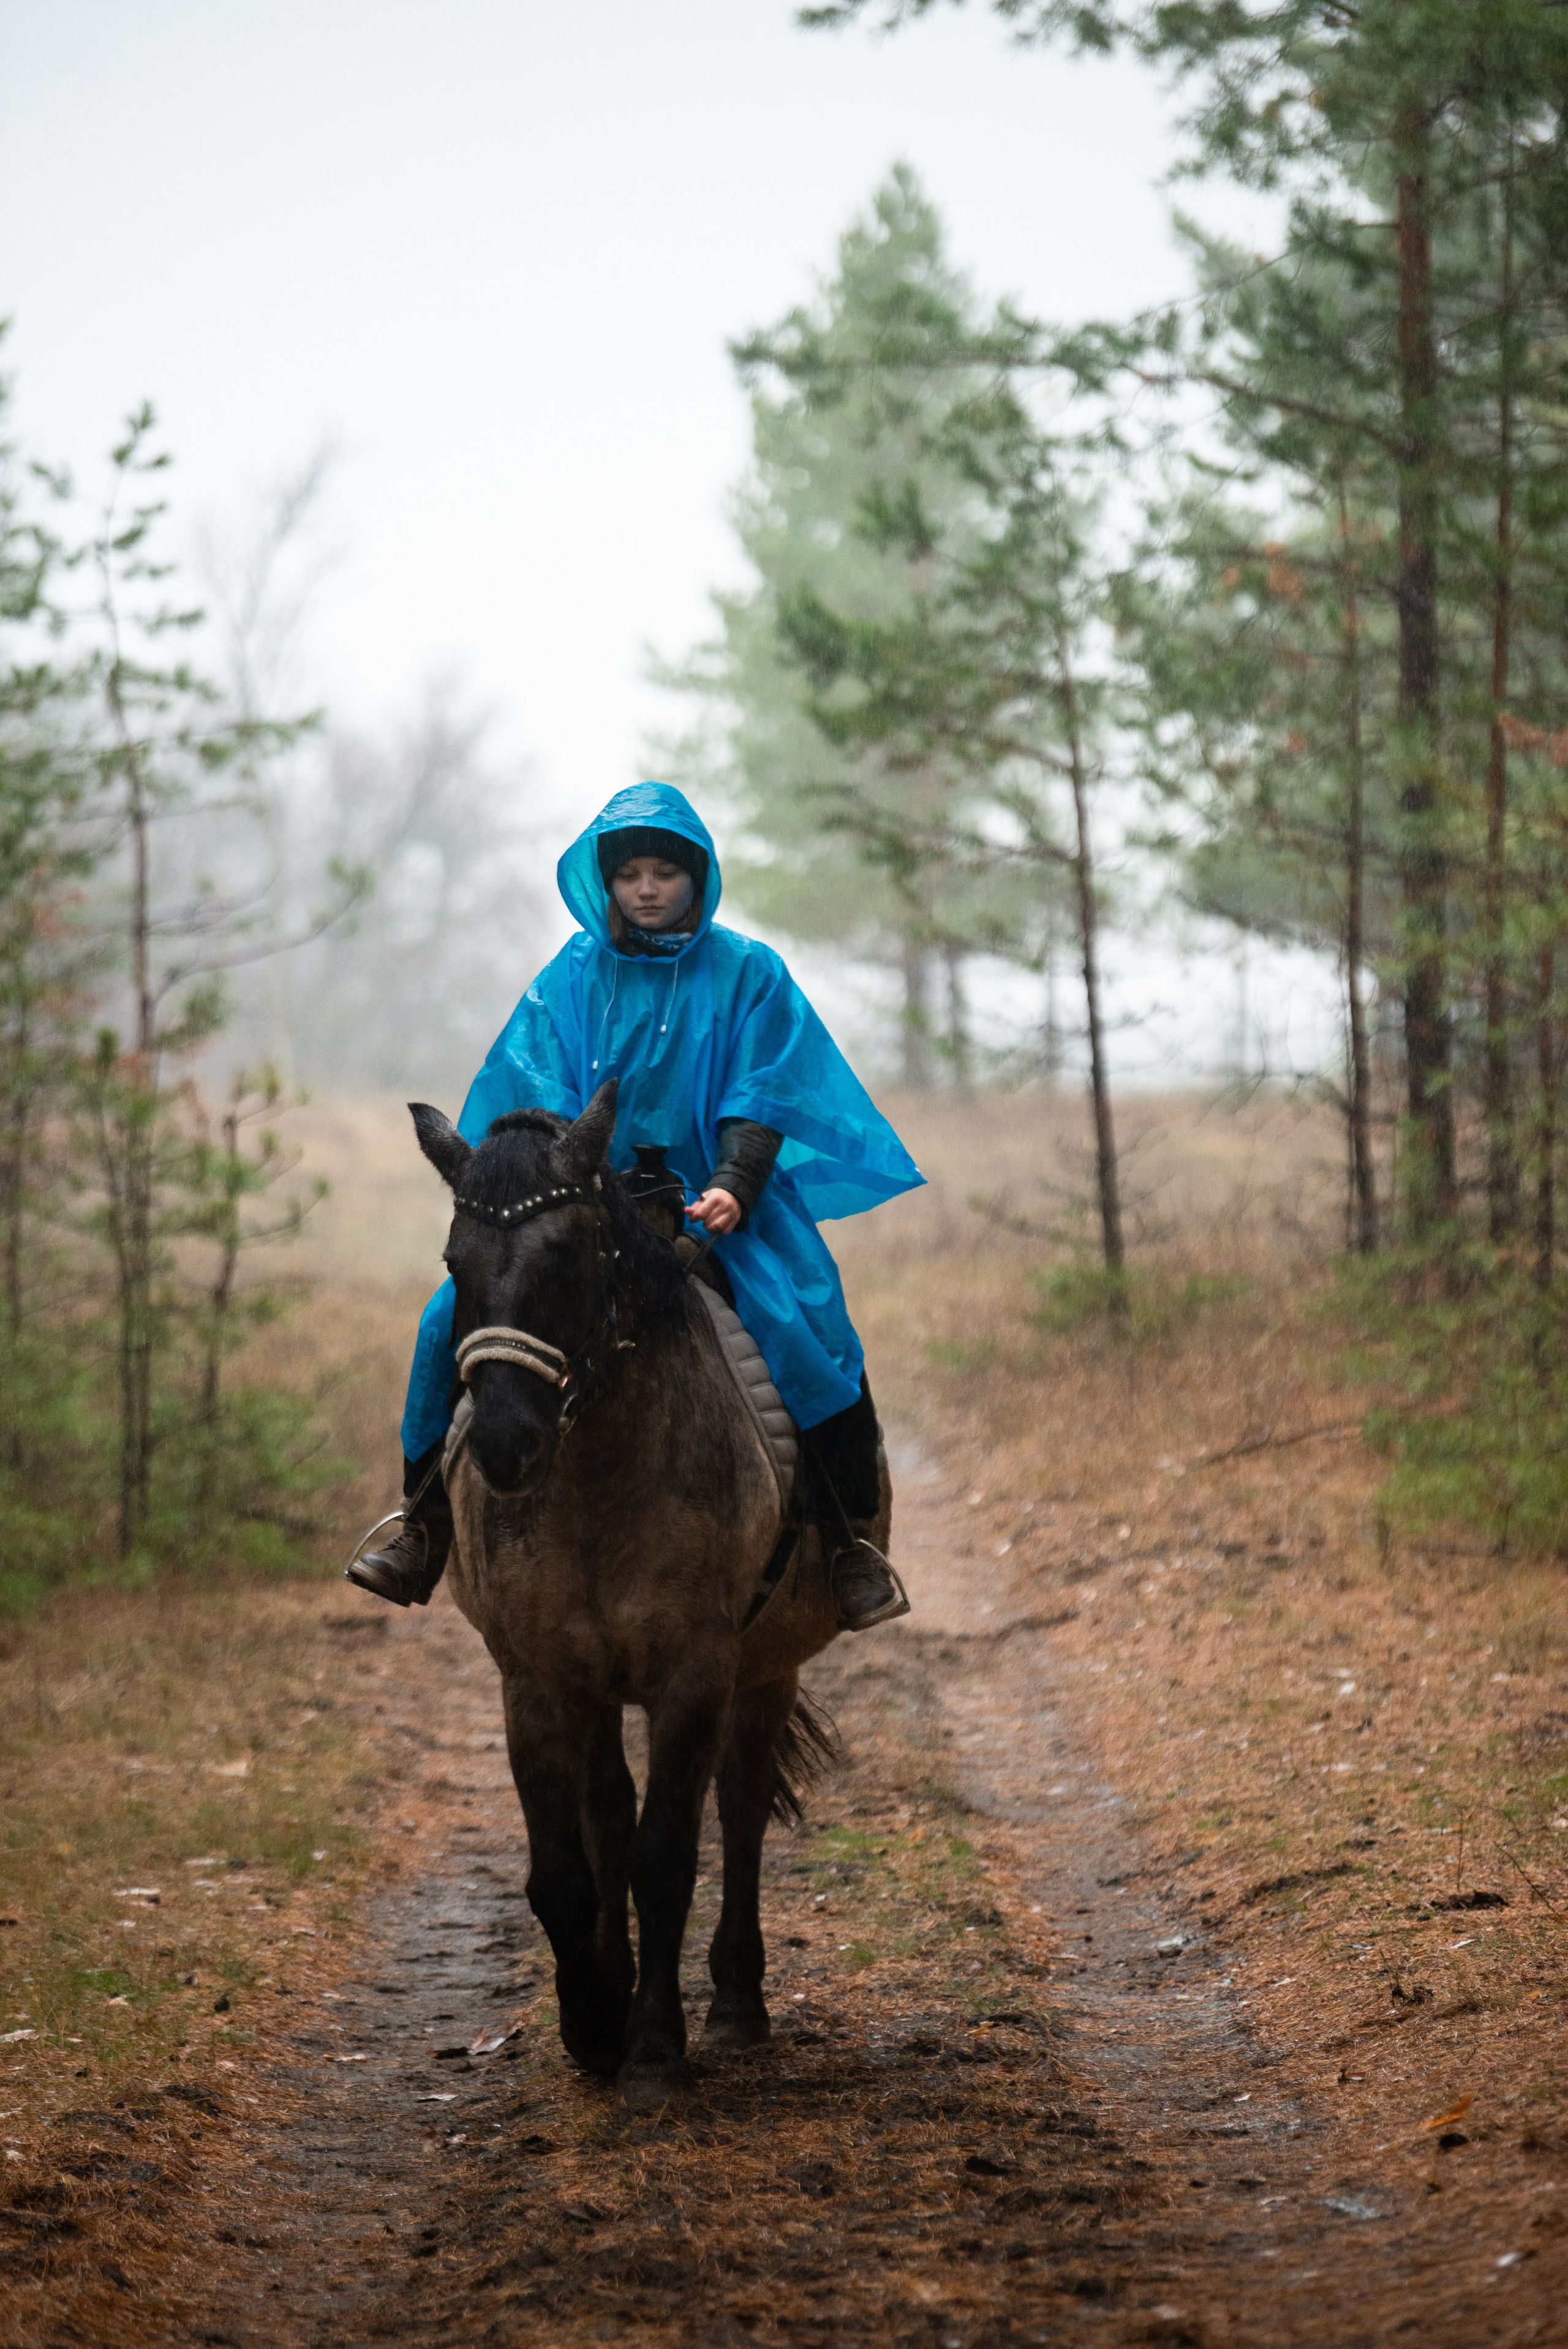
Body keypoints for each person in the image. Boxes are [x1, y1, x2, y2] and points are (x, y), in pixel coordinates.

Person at [347, 781, 924, 1630]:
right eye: (630, 875)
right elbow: (536, 1096)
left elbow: (762, 1089)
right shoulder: (568, 980)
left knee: (815, 1329)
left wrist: (733, 1182)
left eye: (663, 872)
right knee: (447, 1323)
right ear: (606, 884)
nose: (647, 888)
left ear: (696, 876)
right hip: (584, 1212)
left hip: (719, 1214)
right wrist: (568, 1180)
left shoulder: (750, 975)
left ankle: (847, 1545)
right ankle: (423, 1524)